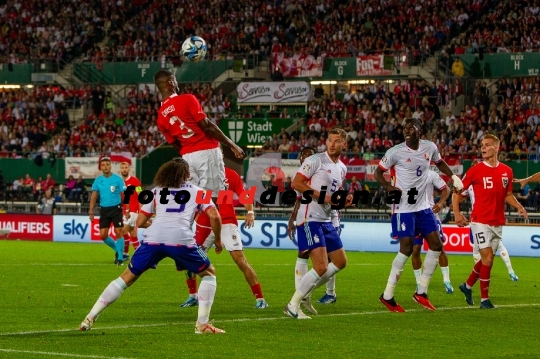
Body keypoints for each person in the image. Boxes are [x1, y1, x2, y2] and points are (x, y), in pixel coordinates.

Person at [80, 159, 225, 334]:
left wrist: (159, 224)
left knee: (126, 277)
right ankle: (202, 325)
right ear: (187, 175)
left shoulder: (156, 191)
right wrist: (217, 239)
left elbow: (140, 222)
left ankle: (90, 317)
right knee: (209, 274)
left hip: (153, 239)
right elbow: (214, 215)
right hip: (181, 239)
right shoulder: (198, 191)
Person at [375, 118, 463, 312]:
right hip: (403, 208)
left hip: (423, 207)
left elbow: (440, 164)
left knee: (437, 245)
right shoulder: (394, 152)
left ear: (419, 130)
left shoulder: (429, 147)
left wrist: (454, 177)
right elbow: (377, 173)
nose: (406, 130)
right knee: (406, 249)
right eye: (404, 128)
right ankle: (388, 295)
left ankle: (421, 292)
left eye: (411, 128)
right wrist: (389, 187)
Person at [179, 163, 268, 309]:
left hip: (226, 221)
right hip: (205, 222)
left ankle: (260, 299)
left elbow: (243, 194)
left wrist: (250, 212)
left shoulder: (230, 174)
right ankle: (192, 296)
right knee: (191, 259)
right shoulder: (199, 174)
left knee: (240, 260)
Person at [453, 135, 527, 309]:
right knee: (487, 257)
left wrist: (518, 206)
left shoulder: (507, 171)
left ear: (497, 148)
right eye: (481, 145)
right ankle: (484, 300)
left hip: (497, 221)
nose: (483, 148)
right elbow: (457, 192)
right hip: (480, 220)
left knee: (489, 259)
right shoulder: (475, 170)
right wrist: (456, 213)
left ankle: (467, 285)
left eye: (487, 145)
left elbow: (507, 195)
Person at [284, 128, 351, 320]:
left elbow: (333, 199)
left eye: (336, 141)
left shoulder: (342, 168)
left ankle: (305, 291)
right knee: (320, 266)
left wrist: (343, 202)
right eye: (329, 140)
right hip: (310, 218)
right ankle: (293, 304)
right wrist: (326, 197)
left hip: (326, 219)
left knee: (340, 262)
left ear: (343, 144)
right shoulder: (315, 160)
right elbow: (296, 184)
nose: (331, 144)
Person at [154, 70, 244, 196]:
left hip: (187, 157)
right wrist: (232, 145)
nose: (177, 83)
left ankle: (192, 217)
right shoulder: (187, 99)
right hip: (206, 151)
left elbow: (175, 144)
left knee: (193, 197)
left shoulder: (160, 117)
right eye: (175, 80)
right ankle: (214, 216)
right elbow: (207, 127)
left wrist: (188, 154)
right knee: (212, 197)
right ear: (170, 82)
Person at [288, 146, 340, 310]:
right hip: (310, 218)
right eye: (303, 155)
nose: (306, 158)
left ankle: (320, 293)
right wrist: (292, 220)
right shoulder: (302, 176)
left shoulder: (324, 168)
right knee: (305, 254)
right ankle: (301, 296)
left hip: (329, 217)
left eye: (309, 155)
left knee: (333, 260)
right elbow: (298, 199)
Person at [457, 160, 519, 281]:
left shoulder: (491, 176)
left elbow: (505, 193)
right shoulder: (469, 182)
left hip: (491, 218)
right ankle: (477, 276)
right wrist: (456, 209)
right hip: (478, 220)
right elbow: (459, 195)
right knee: (476, 247)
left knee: (497, 247)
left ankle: (510, 271)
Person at [410, 170, 454, 294]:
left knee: (439, 248)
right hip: (414, 216)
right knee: (415, 249)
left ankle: (446, 280)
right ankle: (419, 283)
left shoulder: (431, 174)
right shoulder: (407, 173)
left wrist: (440, 204)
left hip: (430, 215)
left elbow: (446, 189)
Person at [89, 157, 126, 266]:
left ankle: (120, 258)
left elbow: (124, 195)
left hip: (116, 208)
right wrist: (91, 211)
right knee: (103, 235)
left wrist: (127, 209)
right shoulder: (98, 180)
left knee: (119, 232)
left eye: (107, 164)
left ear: (110, 166)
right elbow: (94, 197)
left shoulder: (118, 179)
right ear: (101, 167)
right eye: (103, 165)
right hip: (104, 210)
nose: (105, 166)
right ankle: (117, 250)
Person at [120, 161, 142, 261]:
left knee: (122, 231)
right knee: (133, 233)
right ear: (120, 170)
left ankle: (124, 253)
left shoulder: (135, 181)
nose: (124, 169)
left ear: (129, 169)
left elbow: (140, 194)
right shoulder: (119, 182)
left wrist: (141, 210)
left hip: (133, 211)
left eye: (126, 167)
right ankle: (137, 254)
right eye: (122, 167)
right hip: (125, 211)